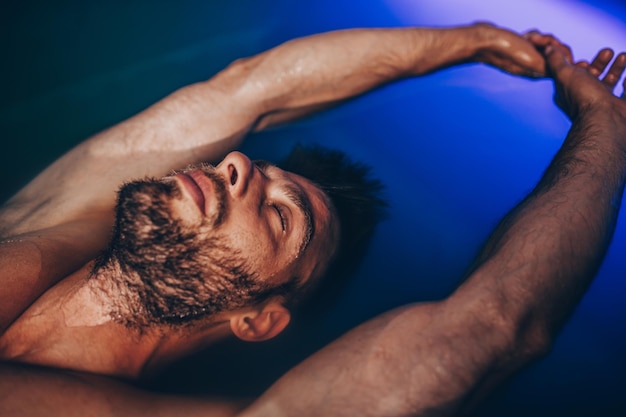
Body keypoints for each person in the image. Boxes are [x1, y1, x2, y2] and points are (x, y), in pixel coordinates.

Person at [1, 22, 624, 416]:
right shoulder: (54, 223)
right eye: (244, 169)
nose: (236, 165)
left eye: (277, 216)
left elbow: (495, 324)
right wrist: (474, 40)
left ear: (259, 319)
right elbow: (255, 89)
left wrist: (607, 124)